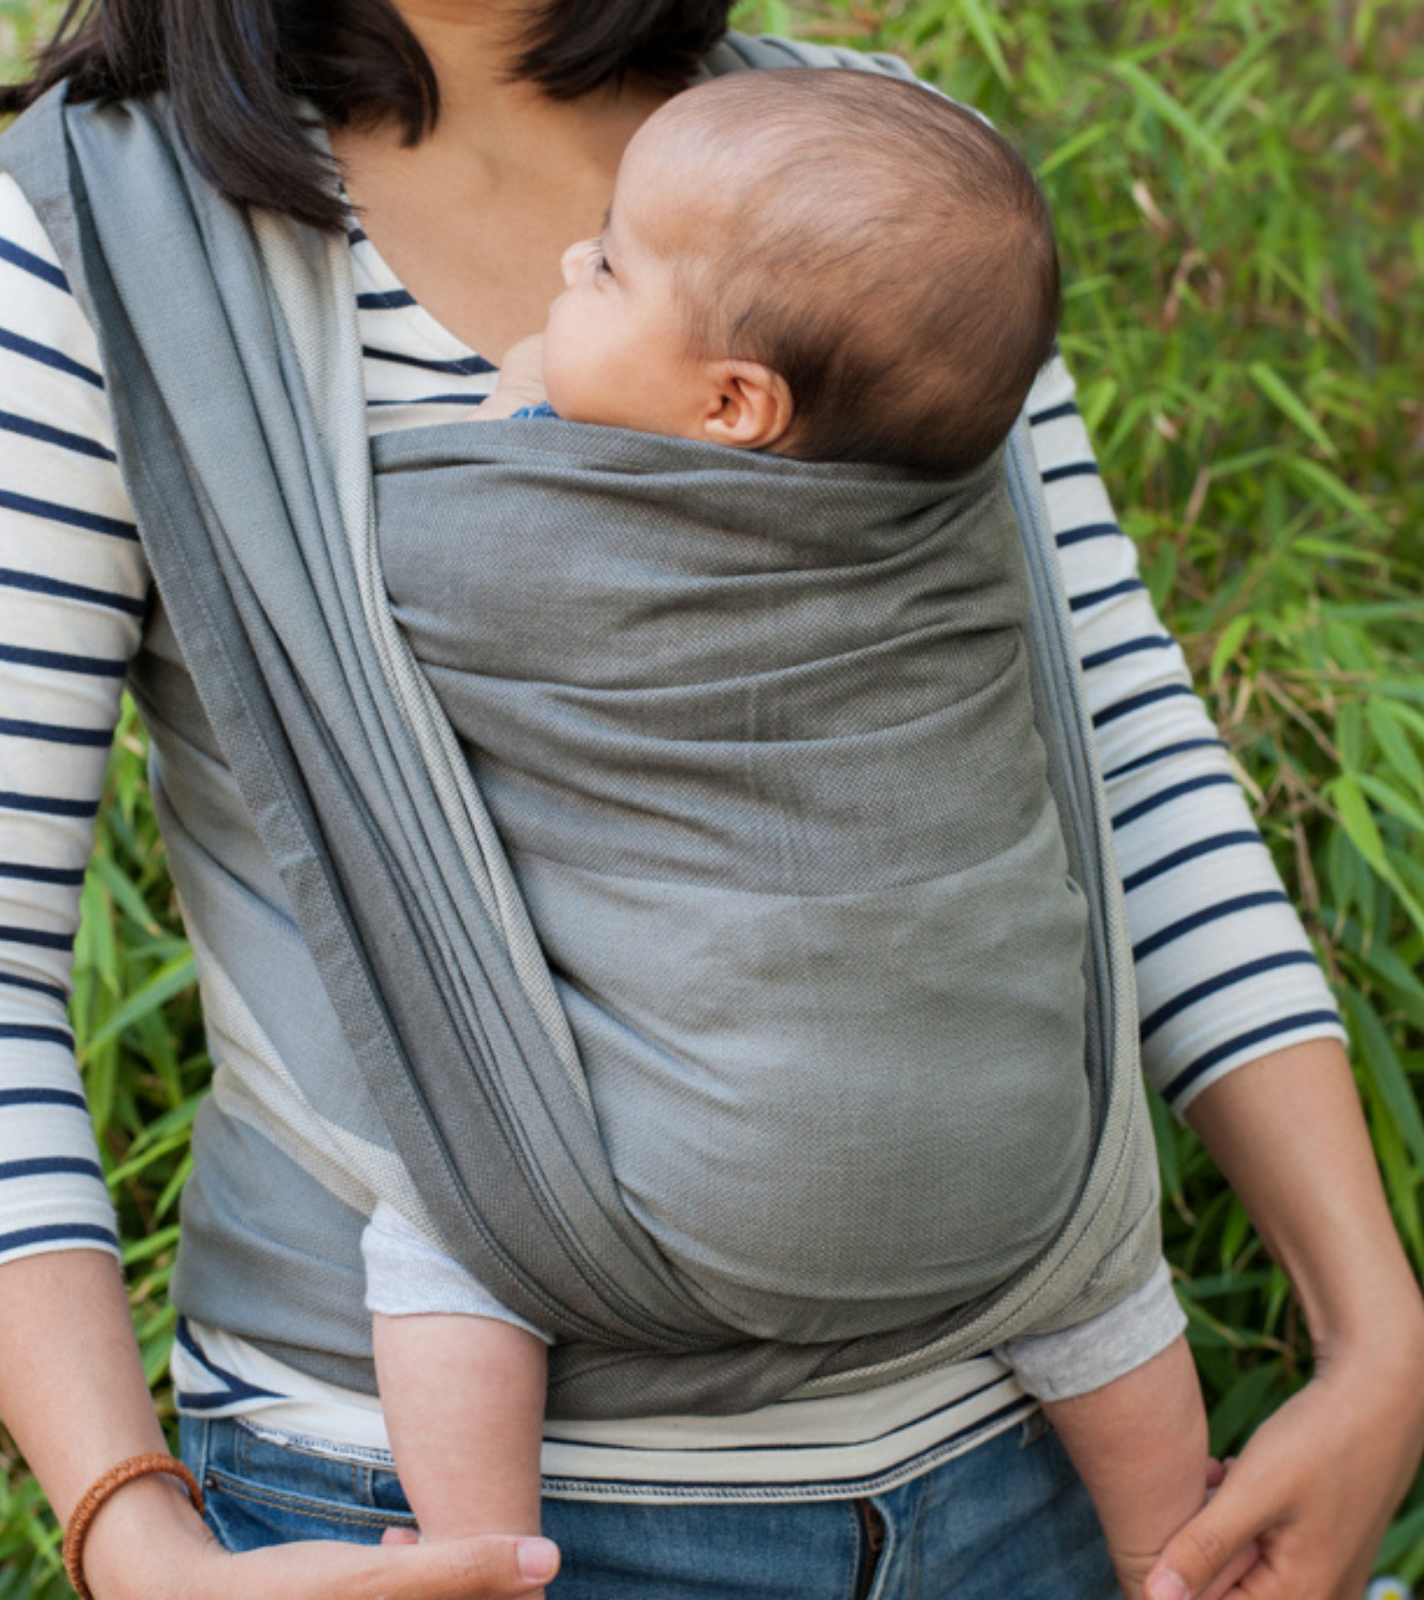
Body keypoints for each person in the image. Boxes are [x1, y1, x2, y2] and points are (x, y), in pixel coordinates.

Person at [0, 5, 1424, 1600]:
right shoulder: (100, 241)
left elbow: (1115, 751)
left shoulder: (872, 175)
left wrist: (1375, 1331)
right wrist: (132, 1534)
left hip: (1020, 1464)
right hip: (410, 1516)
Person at [363, 66, 1206, 1598]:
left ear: (732, 407)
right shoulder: (945, 506)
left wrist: (519, 402)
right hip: (1019, 1162)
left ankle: (480, 1554)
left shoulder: (530, 534)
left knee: (442, 1234)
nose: (566, 267)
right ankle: (1172, 1549)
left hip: (707, 1190)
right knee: (1105, 1283)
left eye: (608, 263)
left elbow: (382, 581)